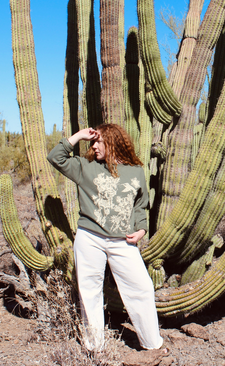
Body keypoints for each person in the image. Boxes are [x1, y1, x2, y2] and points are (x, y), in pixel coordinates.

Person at [47, 124, 166, 354]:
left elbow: (141, 206)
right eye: (92, 142)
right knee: (90, 292)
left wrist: (141, 230)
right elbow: (56, 157)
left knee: (141, 288)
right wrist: (80, 135)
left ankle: (152, 344)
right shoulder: (86, 167)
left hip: (123, 242)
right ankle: (95, 347)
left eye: (97, 141)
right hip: (89, 237)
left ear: (112, 142)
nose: (93, 146)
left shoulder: (135, 171)